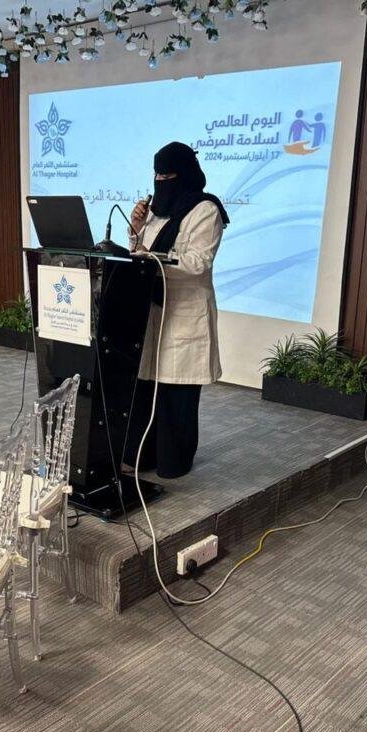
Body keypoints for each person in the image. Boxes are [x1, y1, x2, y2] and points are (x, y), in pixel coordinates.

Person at [123, 141, 229, 479]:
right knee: (145, 389)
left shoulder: (205, 210)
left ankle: (175, 461)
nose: (159, 182)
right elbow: (139, 253)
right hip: (153, 310)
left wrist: (150, 258)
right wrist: (136, 230)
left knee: (175, 395)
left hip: (185, 312)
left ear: (184, 174)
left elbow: (198, 262)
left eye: (166, 176)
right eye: (156, 176)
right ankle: (142, 456)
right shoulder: (156, 212)